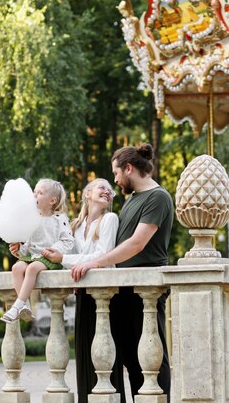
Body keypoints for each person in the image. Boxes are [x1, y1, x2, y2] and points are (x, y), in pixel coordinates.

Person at [70, 144, 173, 403]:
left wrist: (94, 264)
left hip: (143, 288)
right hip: (122, 289)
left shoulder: (158, 197)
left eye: (116, 173)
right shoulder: (131, 200)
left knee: (150, 360)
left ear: (129, 169)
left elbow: (137, 244)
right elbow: (106, 245)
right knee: (127, 359)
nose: (115, 180)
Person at [42, 178, 119, 403]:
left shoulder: (110, 219)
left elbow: (103, 256)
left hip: (106, 295)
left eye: (110, 189)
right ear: (87, 193)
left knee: (106, 359)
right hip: (84, 294)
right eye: (102, 187)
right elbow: (55, 249)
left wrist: (65, 259)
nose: (108, 191)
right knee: (85, 354)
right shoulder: (75, 225)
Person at [1, 178, 75, 323]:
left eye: (40, 193)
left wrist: (54, 249)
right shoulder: (32, 219)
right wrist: (18, 250)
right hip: (33, 256)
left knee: (32, 268)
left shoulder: (60, 218)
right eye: (34, 192)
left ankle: (17, 306)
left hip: (51, 258)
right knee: (16, 267)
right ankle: (24, 305)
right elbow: (28, 246)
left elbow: (68, 240)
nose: (34, 196)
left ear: (52, 201)